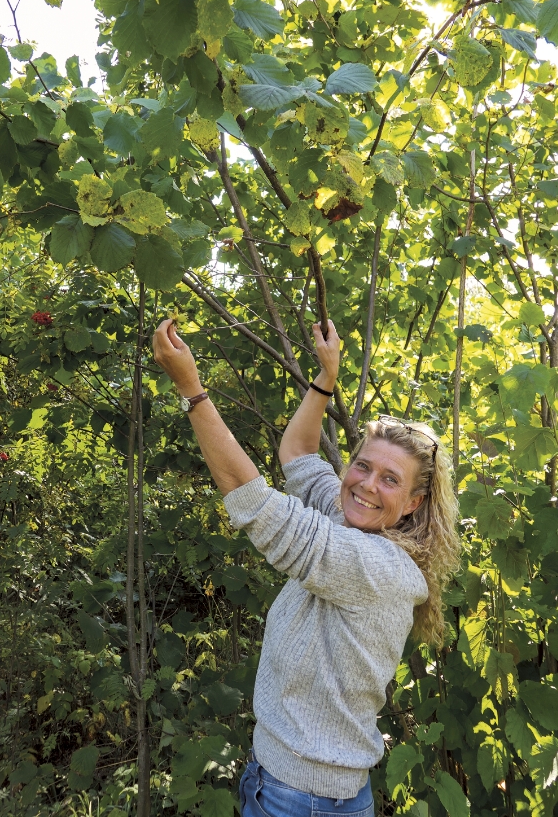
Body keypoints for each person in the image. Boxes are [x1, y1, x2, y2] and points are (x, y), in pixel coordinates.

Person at [152, 317, 459, 817]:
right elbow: (298, 452)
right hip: (286, 782)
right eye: (362, 465)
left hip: (301, 800)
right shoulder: (349, 521)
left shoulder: (379, 566)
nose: (366, 484)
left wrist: (192, 390)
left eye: (389, 479)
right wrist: (325, 378)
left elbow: (254, 503)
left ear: (413, 503)